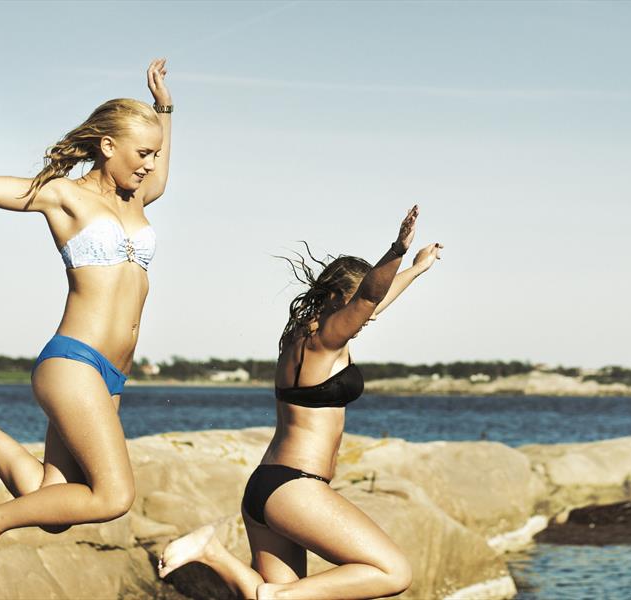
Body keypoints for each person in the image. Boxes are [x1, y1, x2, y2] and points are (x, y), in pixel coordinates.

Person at [0, 58, 174, 589]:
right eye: (142, 153)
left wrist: (164, 108)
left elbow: (160, 167)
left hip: (111, 374)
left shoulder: (139, 198)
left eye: (154, 153)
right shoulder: (64, 195)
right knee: (113, 496)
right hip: (73, 361)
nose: (150, 164)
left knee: (55, 508)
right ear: (108, 146)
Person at [156, 206, 443, 600]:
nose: (367, 313)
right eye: (358, 303)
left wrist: (417, 268)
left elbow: (375, 299)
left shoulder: (304, 338)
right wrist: (396, 249)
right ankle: (273, 595)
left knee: (280, 592)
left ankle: (212, 552)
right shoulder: (324, 342)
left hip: (268, 488)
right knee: (392, 571)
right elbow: (373, 294)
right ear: (337, 298)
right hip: (295, 489)